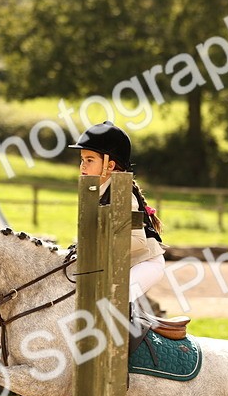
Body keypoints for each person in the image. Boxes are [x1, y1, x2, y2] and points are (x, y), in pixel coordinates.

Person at [69, 122, 166, 303]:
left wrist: (95, 246)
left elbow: (138, 241)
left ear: (110, 165)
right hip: (119, 265)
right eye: (82, 160)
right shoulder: (96, 191)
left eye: (90, 160)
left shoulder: (123, 196)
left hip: (145, 264)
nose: (83, 165)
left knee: (115, 299)